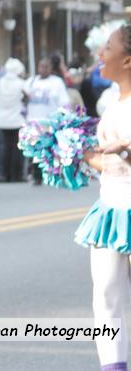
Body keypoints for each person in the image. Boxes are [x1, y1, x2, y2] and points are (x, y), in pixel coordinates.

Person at [75, 25, 131, 371]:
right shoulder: (112, 102)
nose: (100, 54)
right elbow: (109, 164)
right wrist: (81, 154)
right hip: (112, 210)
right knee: (105, 299)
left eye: (107, 47)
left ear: (127, 60)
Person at [24, 57, 70, 186]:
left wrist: (63, 117)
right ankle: (36, 175)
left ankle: (53, 174)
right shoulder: (31, 81)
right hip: (33, 122)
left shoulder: (57, 82)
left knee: (51, 151)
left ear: (51, 68)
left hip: (50, 122)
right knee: (35, 149)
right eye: (41, 66)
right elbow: (23, 99)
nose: (43, 70)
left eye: (46, 67)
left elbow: (64, 102)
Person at [0, 58, 27, 183]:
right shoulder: (21, 83)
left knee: (5, 147)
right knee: (17, 148)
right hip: (17, 118)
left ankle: (4, 173)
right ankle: (17, 174)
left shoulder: (0, 82)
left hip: (3, 119)